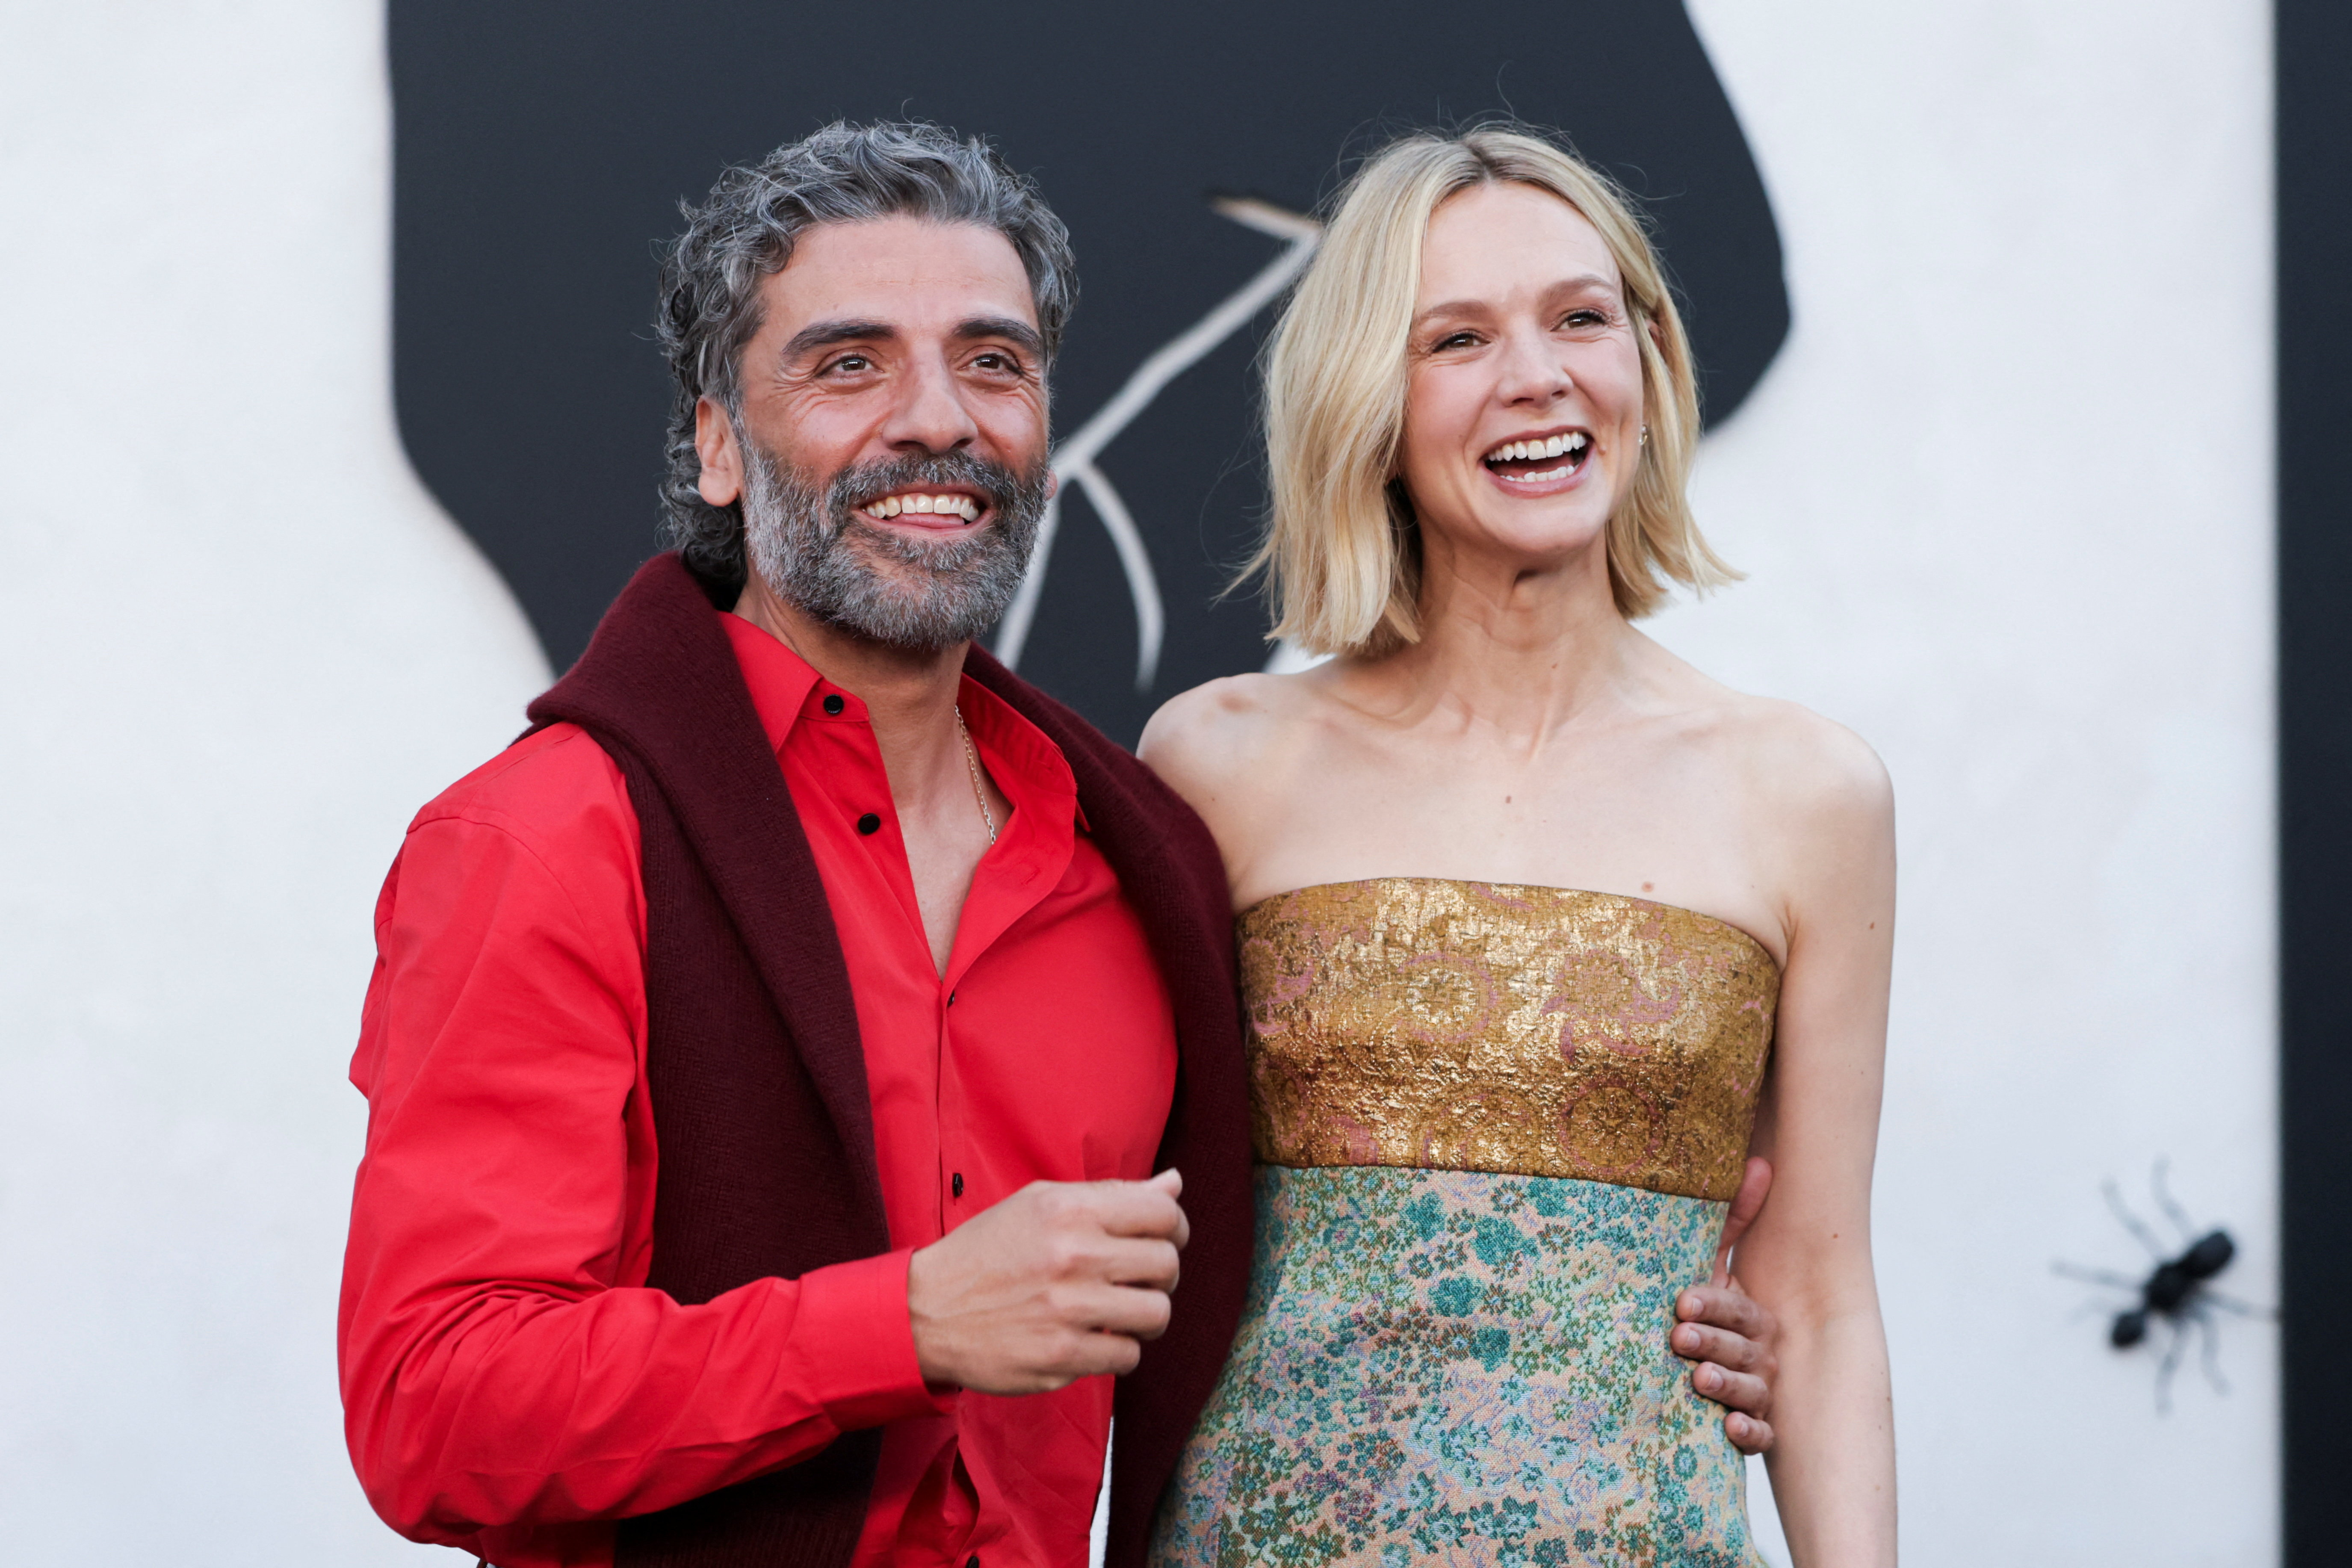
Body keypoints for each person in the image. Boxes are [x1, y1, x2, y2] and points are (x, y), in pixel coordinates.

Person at [337, 121, 1787, 1568]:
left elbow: (1300, 1232)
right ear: (718, 442)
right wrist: (903, 1323)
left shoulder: (1134, 857)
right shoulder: (547, 840)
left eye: (993, 361)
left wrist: (1619, 1289)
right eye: (848, 364)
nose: (936, 420)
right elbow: (429, 1407)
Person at [1141, 127, 1897, 1566]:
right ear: (1368, 399)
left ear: (1646, 363)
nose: (1535, 376)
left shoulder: (1807, 793)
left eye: (1578, 318)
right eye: (1457, 338)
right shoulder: (1218, 762)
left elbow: (1815, 1293)